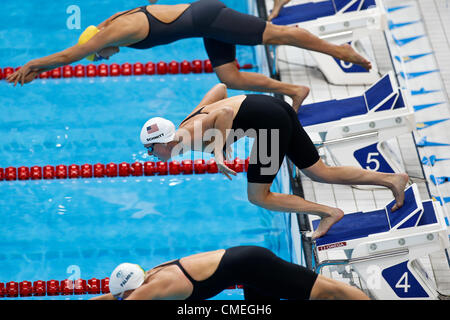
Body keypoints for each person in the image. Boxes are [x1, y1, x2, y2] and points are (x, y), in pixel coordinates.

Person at [139, 83, 409, 239]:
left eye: (151, 151)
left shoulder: (187, 135)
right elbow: (219, 89)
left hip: (270, 126)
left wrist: (220, 149)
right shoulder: (184, 126)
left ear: (163, 142)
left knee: (258, 196)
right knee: (319, 172)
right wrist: (226, 139)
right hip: (275, 108)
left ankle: (328, 213)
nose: (152, 157)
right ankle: (392, 180)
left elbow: (222, 112)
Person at [6, 0, 371, 110]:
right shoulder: (109, 27)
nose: (102, 59)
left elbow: (74, 52)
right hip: (204, 26)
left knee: (278, 36)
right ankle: (293, 91)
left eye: (99, 56)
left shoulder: (115, 32)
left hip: (210, 17)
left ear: (98, 43)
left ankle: (339, 50)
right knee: (230, 78)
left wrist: (35, 66)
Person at [90, 245, 370, 300]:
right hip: (246, 265)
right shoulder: (148, 275)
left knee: (325, 291)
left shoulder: (152, 288)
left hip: (254, 266)